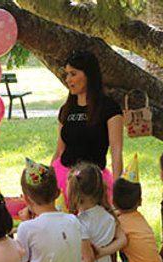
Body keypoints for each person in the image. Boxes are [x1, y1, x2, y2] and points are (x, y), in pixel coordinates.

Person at [51, 50, 124, 206]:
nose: (68, 79)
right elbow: (59, 150)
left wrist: (118, 189)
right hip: (64, 179)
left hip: (93, 184)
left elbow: (116, 151)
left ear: (88, 75)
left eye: (73, 74)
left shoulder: (109, 108)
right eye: (67, 74)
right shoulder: (66, 109)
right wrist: (48, 181)